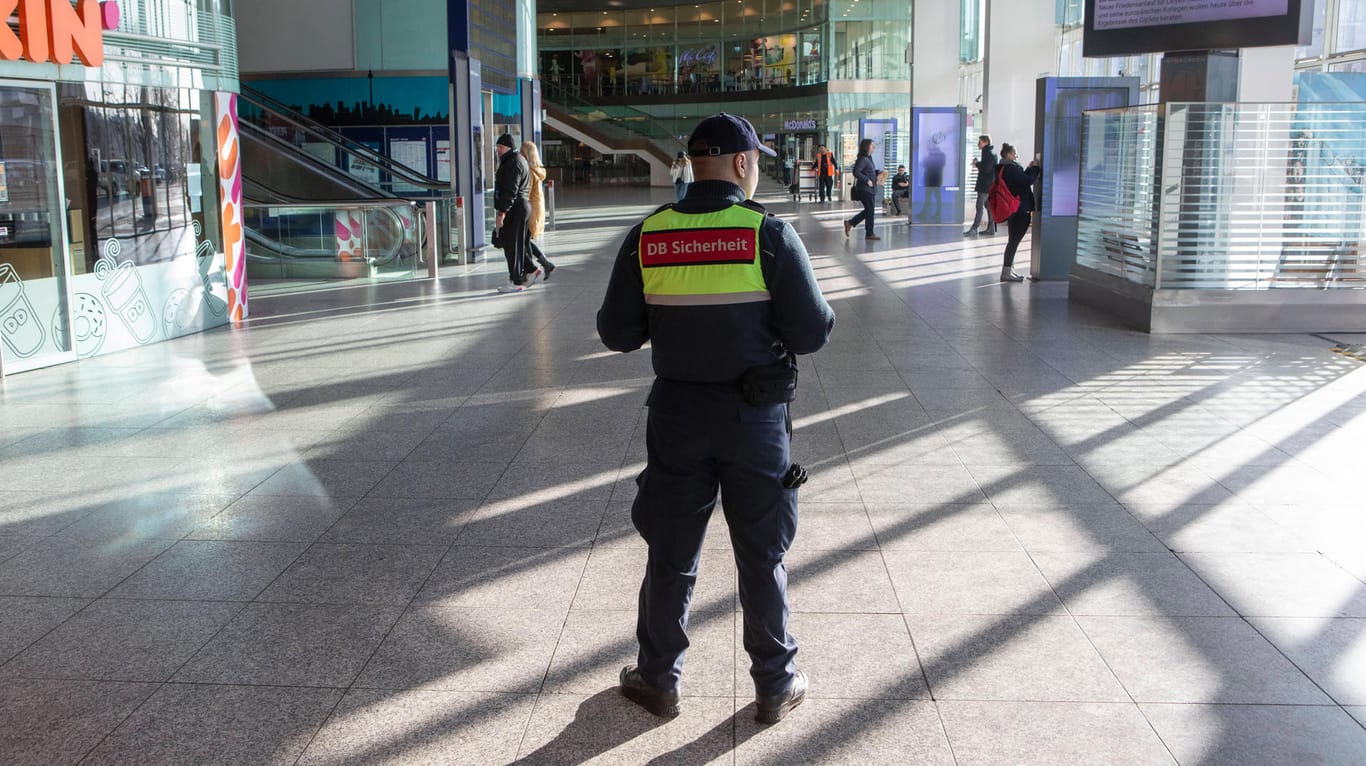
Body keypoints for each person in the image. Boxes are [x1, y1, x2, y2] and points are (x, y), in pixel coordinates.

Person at [597, 112, 835, 725]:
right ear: (741, 164)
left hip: (676, 415)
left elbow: (616, 333)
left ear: (692, 165)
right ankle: (776, 683)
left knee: (671, 549)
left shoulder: (650, 235)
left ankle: (657, 680)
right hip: (756, 420)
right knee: (762, 553)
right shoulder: (767, 235)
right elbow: (811, 332)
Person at [493, 134, 540, 293]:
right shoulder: (517, 161)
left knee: (512, 245)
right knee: (516, 243)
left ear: (508, 147)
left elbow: (510, 190)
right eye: (497, 147)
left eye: (500, 147)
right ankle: (526, 271)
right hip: (520, 207)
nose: (498, 150)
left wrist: (502, 212)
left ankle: (515, 280)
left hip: (515, 208)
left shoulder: (513, 163)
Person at [997, 142, 1041, 282]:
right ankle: (1006, 271)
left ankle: (1009, 269)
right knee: (1014, 241)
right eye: (1015, 153)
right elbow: (1028, 181)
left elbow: (1021, 181)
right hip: (1020, 209)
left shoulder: (1003, 168)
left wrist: (1028, 168)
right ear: (1009, 154)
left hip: (1012, 208)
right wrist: (1034, 168)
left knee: (1013, 240)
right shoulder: (1012, 169)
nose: (1017, 155)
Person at [521, 140, 556, 279]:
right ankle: (545, 264)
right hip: (536, 210)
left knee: (524, 240)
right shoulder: (537, 170)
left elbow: (525, 193)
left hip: (530, 211)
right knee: (525, 240)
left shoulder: (530, 172)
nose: (519, 154)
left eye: (522, 152)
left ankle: (530, 270)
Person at [842, 138, 880, 240]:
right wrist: (867, 180)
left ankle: (850, 223)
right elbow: (856, 172)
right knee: (870, 211)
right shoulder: (863, 159)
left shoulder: (868, 158)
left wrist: (878, 173)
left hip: (869, 189)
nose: (874, 147)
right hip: (865, 189)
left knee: (869, 211)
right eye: (872, 146)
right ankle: (869, 233)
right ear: (867, 147)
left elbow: (868, 171)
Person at [966, 135, 998, 236]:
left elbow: (986, 169)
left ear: (986, 142)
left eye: (980, 142)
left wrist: (977, 164)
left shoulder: (988, 154)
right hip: (989, 185)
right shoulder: (989, 153)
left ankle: (974, 229)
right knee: (988, 207)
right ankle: (991, 228)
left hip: (985, 186)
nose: (978, 144)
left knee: (979, 206)